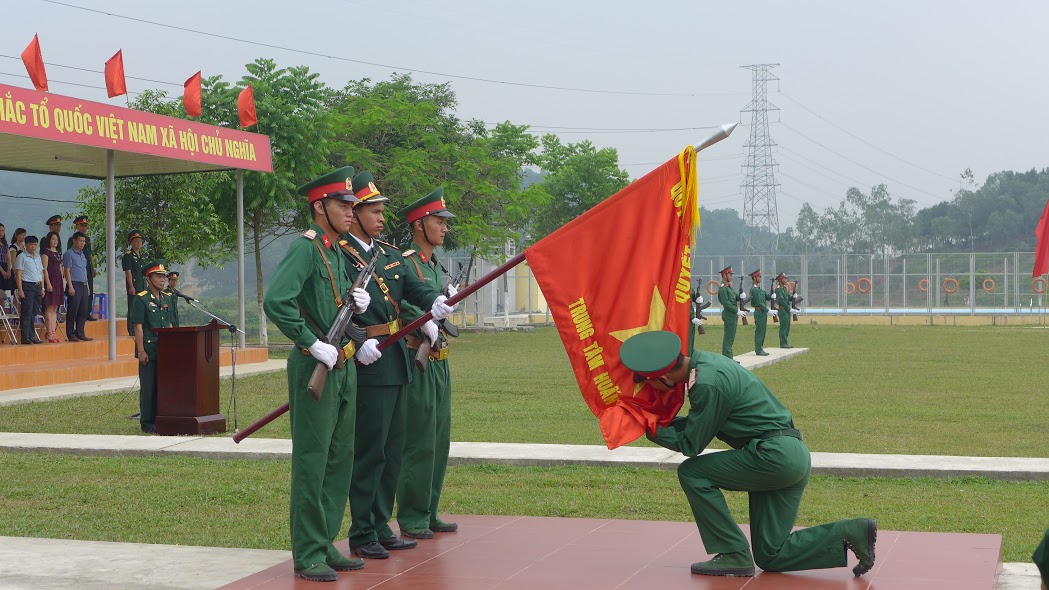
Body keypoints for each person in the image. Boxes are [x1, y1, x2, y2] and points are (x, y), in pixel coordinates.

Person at [619, 330, 877, 578]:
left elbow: (691, 445)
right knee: (770, 555)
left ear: (662, 377)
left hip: (772, 457)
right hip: (790, 454)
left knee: (692, 472)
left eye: (646, 381)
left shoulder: (706, 384)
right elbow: (702, 421)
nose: (649, 388)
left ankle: (733, 552)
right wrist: (660, 424)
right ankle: (851, 531)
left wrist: (649, 428)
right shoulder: (709, 363)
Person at [262, 166, 374, 582]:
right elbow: (278, 301)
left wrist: (355, 306)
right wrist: (310, 342)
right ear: (320, 207)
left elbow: (333, 303)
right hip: (316, 364)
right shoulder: (307, 247)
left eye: (352, 205)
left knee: (339, 458)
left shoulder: (336, 250)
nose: (351, 211)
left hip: (342, 364)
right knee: (313, 460)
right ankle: (308, 552)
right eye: (344, 205)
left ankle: (325, 541)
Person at [341, 170, 455, 560]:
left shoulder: (387, 254)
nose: (380, 216)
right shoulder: (340, 253)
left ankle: (380, 524)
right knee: (370, 450)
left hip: (395, 361)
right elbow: (331, 306)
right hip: (366, 358)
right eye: (372, 210)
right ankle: (361, 531)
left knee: (391, 450)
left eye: (380, 210)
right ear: (353, 213)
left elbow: (414, 287)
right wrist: (357, 339)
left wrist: (434, 302)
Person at [395, 187, 459, 540]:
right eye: (438, 221)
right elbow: (398, 301)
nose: (444, 228)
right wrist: (424, 320)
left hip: (440, 361)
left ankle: (429, 510)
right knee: (418, 439)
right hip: (417, 357)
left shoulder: (434, 266)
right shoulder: (406, 262)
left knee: (438, 438)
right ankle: (413, 516)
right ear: (420, 225)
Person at [129, 261, 173, 434]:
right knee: (149, 388)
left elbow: (169, 324)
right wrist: (140, 351)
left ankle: (162, 419)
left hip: (164, 350)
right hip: (148, 350)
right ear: (149, 278)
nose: (162, 280)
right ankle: (147, 423)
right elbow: (138, 327)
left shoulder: (167, 298)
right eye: (158, 276)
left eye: (163, 276)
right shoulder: (141, 298)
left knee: (163, 387)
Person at [14, 235, 44, 345]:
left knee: (33, 312)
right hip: (27, 286)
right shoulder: (21, 256)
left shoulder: (38, 257)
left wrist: (42, 287)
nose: (33, 246)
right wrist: (20, 289)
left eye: (35, 244)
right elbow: (18, 274)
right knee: (26, 312)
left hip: (37, 286)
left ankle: (32, 336)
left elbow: (42, 273)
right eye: (31, 244)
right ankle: (25, 337)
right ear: (26, 245)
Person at [63, 232, 92, 341]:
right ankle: (71, 334)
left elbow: (84, 271)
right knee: (73, 310)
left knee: (83, 310)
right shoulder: (69, 254)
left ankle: (80, 332)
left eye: (83, 241)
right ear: (74, 241)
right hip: (74, 284)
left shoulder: (82, 254)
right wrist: (70, 286)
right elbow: (67, 271)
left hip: (84, 285)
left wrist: (88, 286)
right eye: (80, 241)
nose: (82, 243)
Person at [68, 216, 97, 321]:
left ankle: (87, 312)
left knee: (89, 291)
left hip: (87, 269)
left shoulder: (87, 239)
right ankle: (79, 314)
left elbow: (90, 254)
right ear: (77, 226)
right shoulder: (73, 240)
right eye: (82, 226)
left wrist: (93, 267)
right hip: (78, 270)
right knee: (78, 295)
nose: (84, 228)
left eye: (86, 226)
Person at [40, 232, 64, 343]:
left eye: (57, 239)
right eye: (53, 239)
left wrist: (62, 281)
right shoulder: (46, 252)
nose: (55, 241)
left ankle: (53, 332)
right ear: (49, 240)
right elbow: (44, 269)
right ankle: (49, 332)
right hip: (50, 280)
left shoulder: (58, 253)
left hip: (58, 281)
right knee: (49, 308)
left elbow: (60, 268)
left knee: (55, 308)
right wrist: (48, 283)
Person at [717, 266, 745, 359]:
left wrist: (740, 296)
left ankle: (729, 357)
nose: (731, 276)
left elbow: (734, 297)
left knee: (731, 337)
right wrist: (736, 311)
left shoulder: (729, 287)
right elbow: (726, 303)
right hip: (729, 314)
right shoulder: (723, 289)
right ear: (724, 275)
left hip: (732, 314)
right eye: (730, 274)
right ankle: (727, 358)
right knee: (728, 337)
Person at [122, 230, 146, 336]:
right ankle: (131, 330)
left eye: (140, 241)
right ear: (131, 242)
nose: (138, 243)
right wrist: (131, 286)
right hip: (134, 286)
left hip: (142, 285)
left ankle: (141, 328)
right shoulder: (128, 256)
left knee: (142, 308)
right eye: (136, 241)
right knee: (132, 307)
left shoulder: (142, 255)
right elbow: (128, 272)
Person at [749, 270, 770, 356]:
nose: (760, 278)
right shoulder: (754, 290)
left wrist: (773, 295)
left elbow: (766, 297)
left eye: (760, 276)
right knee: (760, 330)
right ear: (754, 278)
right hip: (759, 311)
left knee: (763, 330)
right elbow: (759, 302)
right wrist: (768, 310)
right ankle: (758, 349)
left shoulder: (760, 290)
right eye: (759, 276)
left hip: (763, 312)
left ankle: (760, 348)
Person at [6, 227, 27, 306]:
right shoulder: (13, 247)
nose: (23, 236)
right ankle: (16, 313)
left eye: (24, 234)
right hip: (17, 271)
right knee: (16, 293)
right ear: (16, 235)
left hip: (24, 272)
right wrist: (15, 273)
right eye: (21, 234)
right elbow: (13, 261)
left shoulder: (25, 247)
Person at [773, 273, 793, 349]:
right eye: (784, 278)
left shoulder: (784, 289)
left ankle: (785, 342)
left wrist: (793, 297)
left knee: (787, 327)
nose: (786, 280)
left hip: (786, 311)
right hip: (782, 310)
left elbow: (787, 297)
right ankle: (783, 343)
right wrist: (789, 308)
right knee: (783, 327)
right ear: (780, 280)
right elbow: (781, 301)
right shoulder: (778, 290)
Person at [0, 224, 10, 302]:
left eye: (3, 230)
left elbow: (8, 258)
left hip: (5, 266)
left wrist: (8, 270)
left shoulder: (5, 244)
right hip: (1, 268)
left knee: (3, 293)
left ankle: (2, 311)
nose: (1, 232)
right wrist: (2, 271)